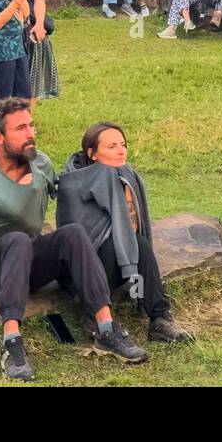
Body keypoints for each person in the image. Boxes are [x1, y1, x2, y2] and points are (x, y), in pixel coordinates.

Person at [0, 98, 148, 381]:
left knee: (72, 233)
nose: (31, 133)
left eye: (31, 126)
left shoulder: (40, 162)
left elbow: (71, 192)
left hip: (27, 258)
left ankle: (106, 329)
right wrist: (33, 181)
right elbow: (16, 210)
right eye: (20, 128)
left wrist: (111, 176)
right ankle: (12, 343)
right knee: (18, 239)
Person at [57, 122, 194, 344]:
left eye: (123, 144)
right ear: (92, 154)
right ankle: (95, 317)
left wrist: (125, 190)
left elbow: (132, 229)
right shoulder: (70, 184)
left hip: (119, 264)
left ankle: (160, 319)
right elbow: (78, 242)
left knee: (137, 242)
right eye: (112, 146)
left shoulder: (125, 176)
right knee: (118, 243)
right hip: (82, 272)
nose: (121, 151)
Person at [10, 0, 60, 102]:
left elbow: (39, 0)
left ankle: (27, 118)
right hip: (6, 25)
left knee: (31, 75)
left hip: (28, 25)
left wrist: (39, 24)